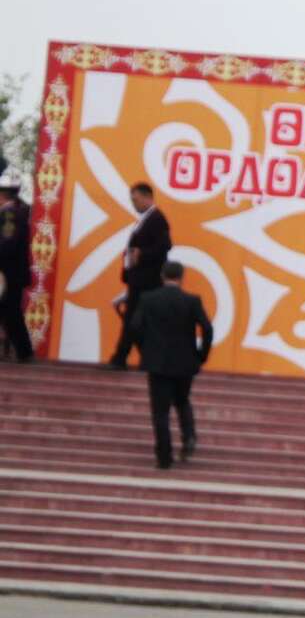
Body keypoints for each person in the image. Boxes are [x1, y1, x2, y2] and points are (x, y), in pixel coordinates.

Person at [132, 261, 213, 469]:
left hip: (157, 362)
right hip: (185, 361)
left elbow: (135, 327)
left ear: (162, 275)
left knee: (160, 411)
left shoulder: (148, 299)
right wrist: (201, 354)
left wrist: (146, 349)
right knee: (182, 400)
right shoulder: (191, 301)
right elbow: (207, 328)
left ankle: (164, 456)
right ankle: (188, 436)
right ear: (182, 277)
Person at [105, 182, 171, 370]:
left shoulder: (157, 218)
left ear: (146, 197)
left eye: (135, 199)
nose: (133, 203)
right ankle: (149, 360)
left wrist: (141, 253)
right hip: (139, 279)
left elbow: (165, 246)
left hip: (147, 281)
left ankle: (121, 358)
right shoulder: (145, 220)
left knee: (133, 320)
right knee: (138, 322)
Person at [0, 172, 31, 362]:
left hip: (9, 273)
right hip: (11, 273)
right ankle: (24, 351)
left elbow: (7, 242)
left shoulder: (9, 214)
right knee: (10, 312)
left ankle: (25, 351)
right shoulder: (14, 212)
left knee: (11, 312)